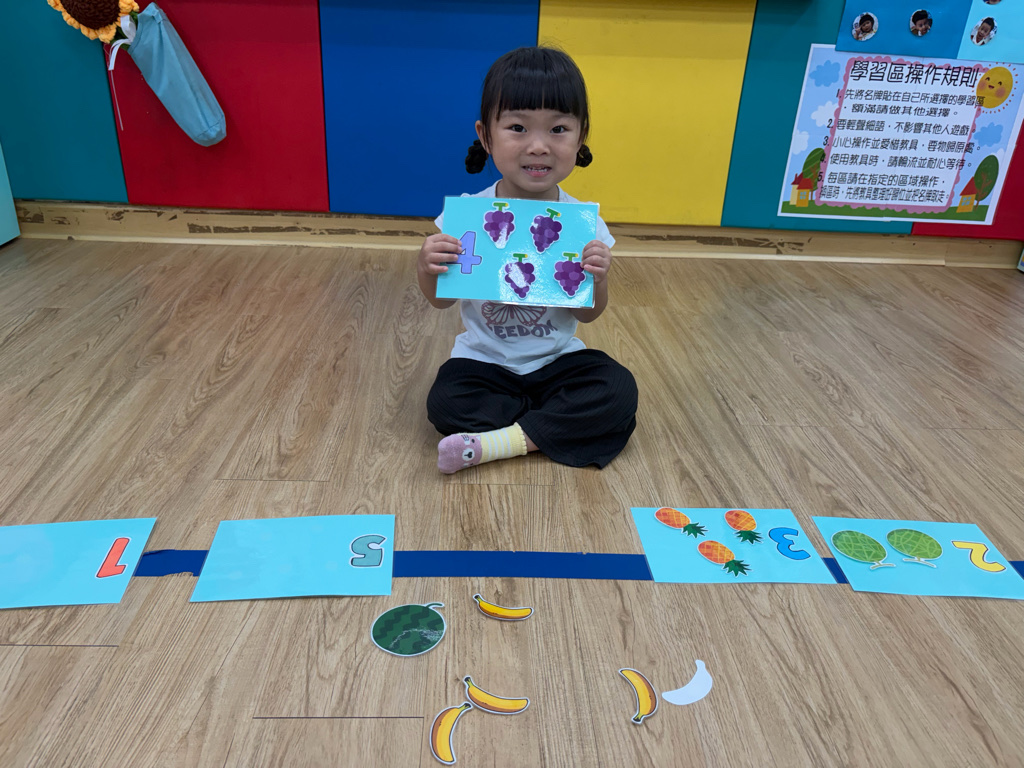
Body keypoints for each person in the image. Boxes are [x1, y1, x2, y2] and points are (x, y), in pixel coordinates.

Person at [417, 46, 638, 475]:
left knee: (617, 388)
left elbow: (588, 315)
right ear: (486, 136)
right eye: (517, 128)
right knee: (446, 400)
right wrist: (427, 266)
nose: (538, 146)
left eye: (558, 129)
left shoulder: (584, 225)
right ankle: (549, 427)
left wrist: (599, 278)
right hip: (483, 363)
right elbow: (440, 300)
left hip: (557, 362)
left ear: (581, 136)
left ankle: (499, 442)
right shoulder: (467, 216)